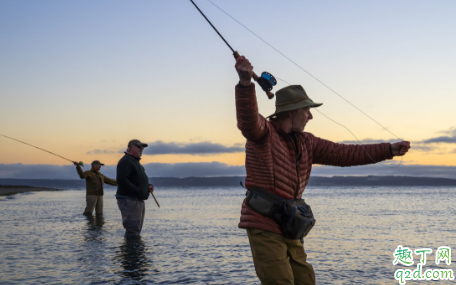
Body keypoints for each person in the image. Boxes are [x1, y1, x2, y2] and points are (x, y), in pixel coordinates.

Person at [234, 56, 410, 285]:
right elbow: (247, 121)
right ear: (292, 112)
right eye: (306, 110)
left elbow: (345, 154)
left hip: (290, 225)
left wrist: (387, 150)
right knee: (280, 281)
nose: (310, 116)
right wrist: (246, 84)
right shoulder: (264, 134)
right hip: (264, 223)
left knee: (306, 280)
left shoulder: (308, 142)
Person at [115, 139, 154, 239]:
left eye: (142, 148)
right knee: (133, 229)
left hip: (137, 199)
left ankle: (135, 253)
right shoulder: (125, 161)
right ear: (130, 147)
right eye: (139, 147)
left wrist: (147, 186)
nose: (141, 149)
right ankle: (130, 253)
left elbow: (137, 179)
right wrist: (138, 190)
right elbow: (121, 180)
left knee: (136, 229)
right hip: (130, 199)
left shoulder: (135, 162)